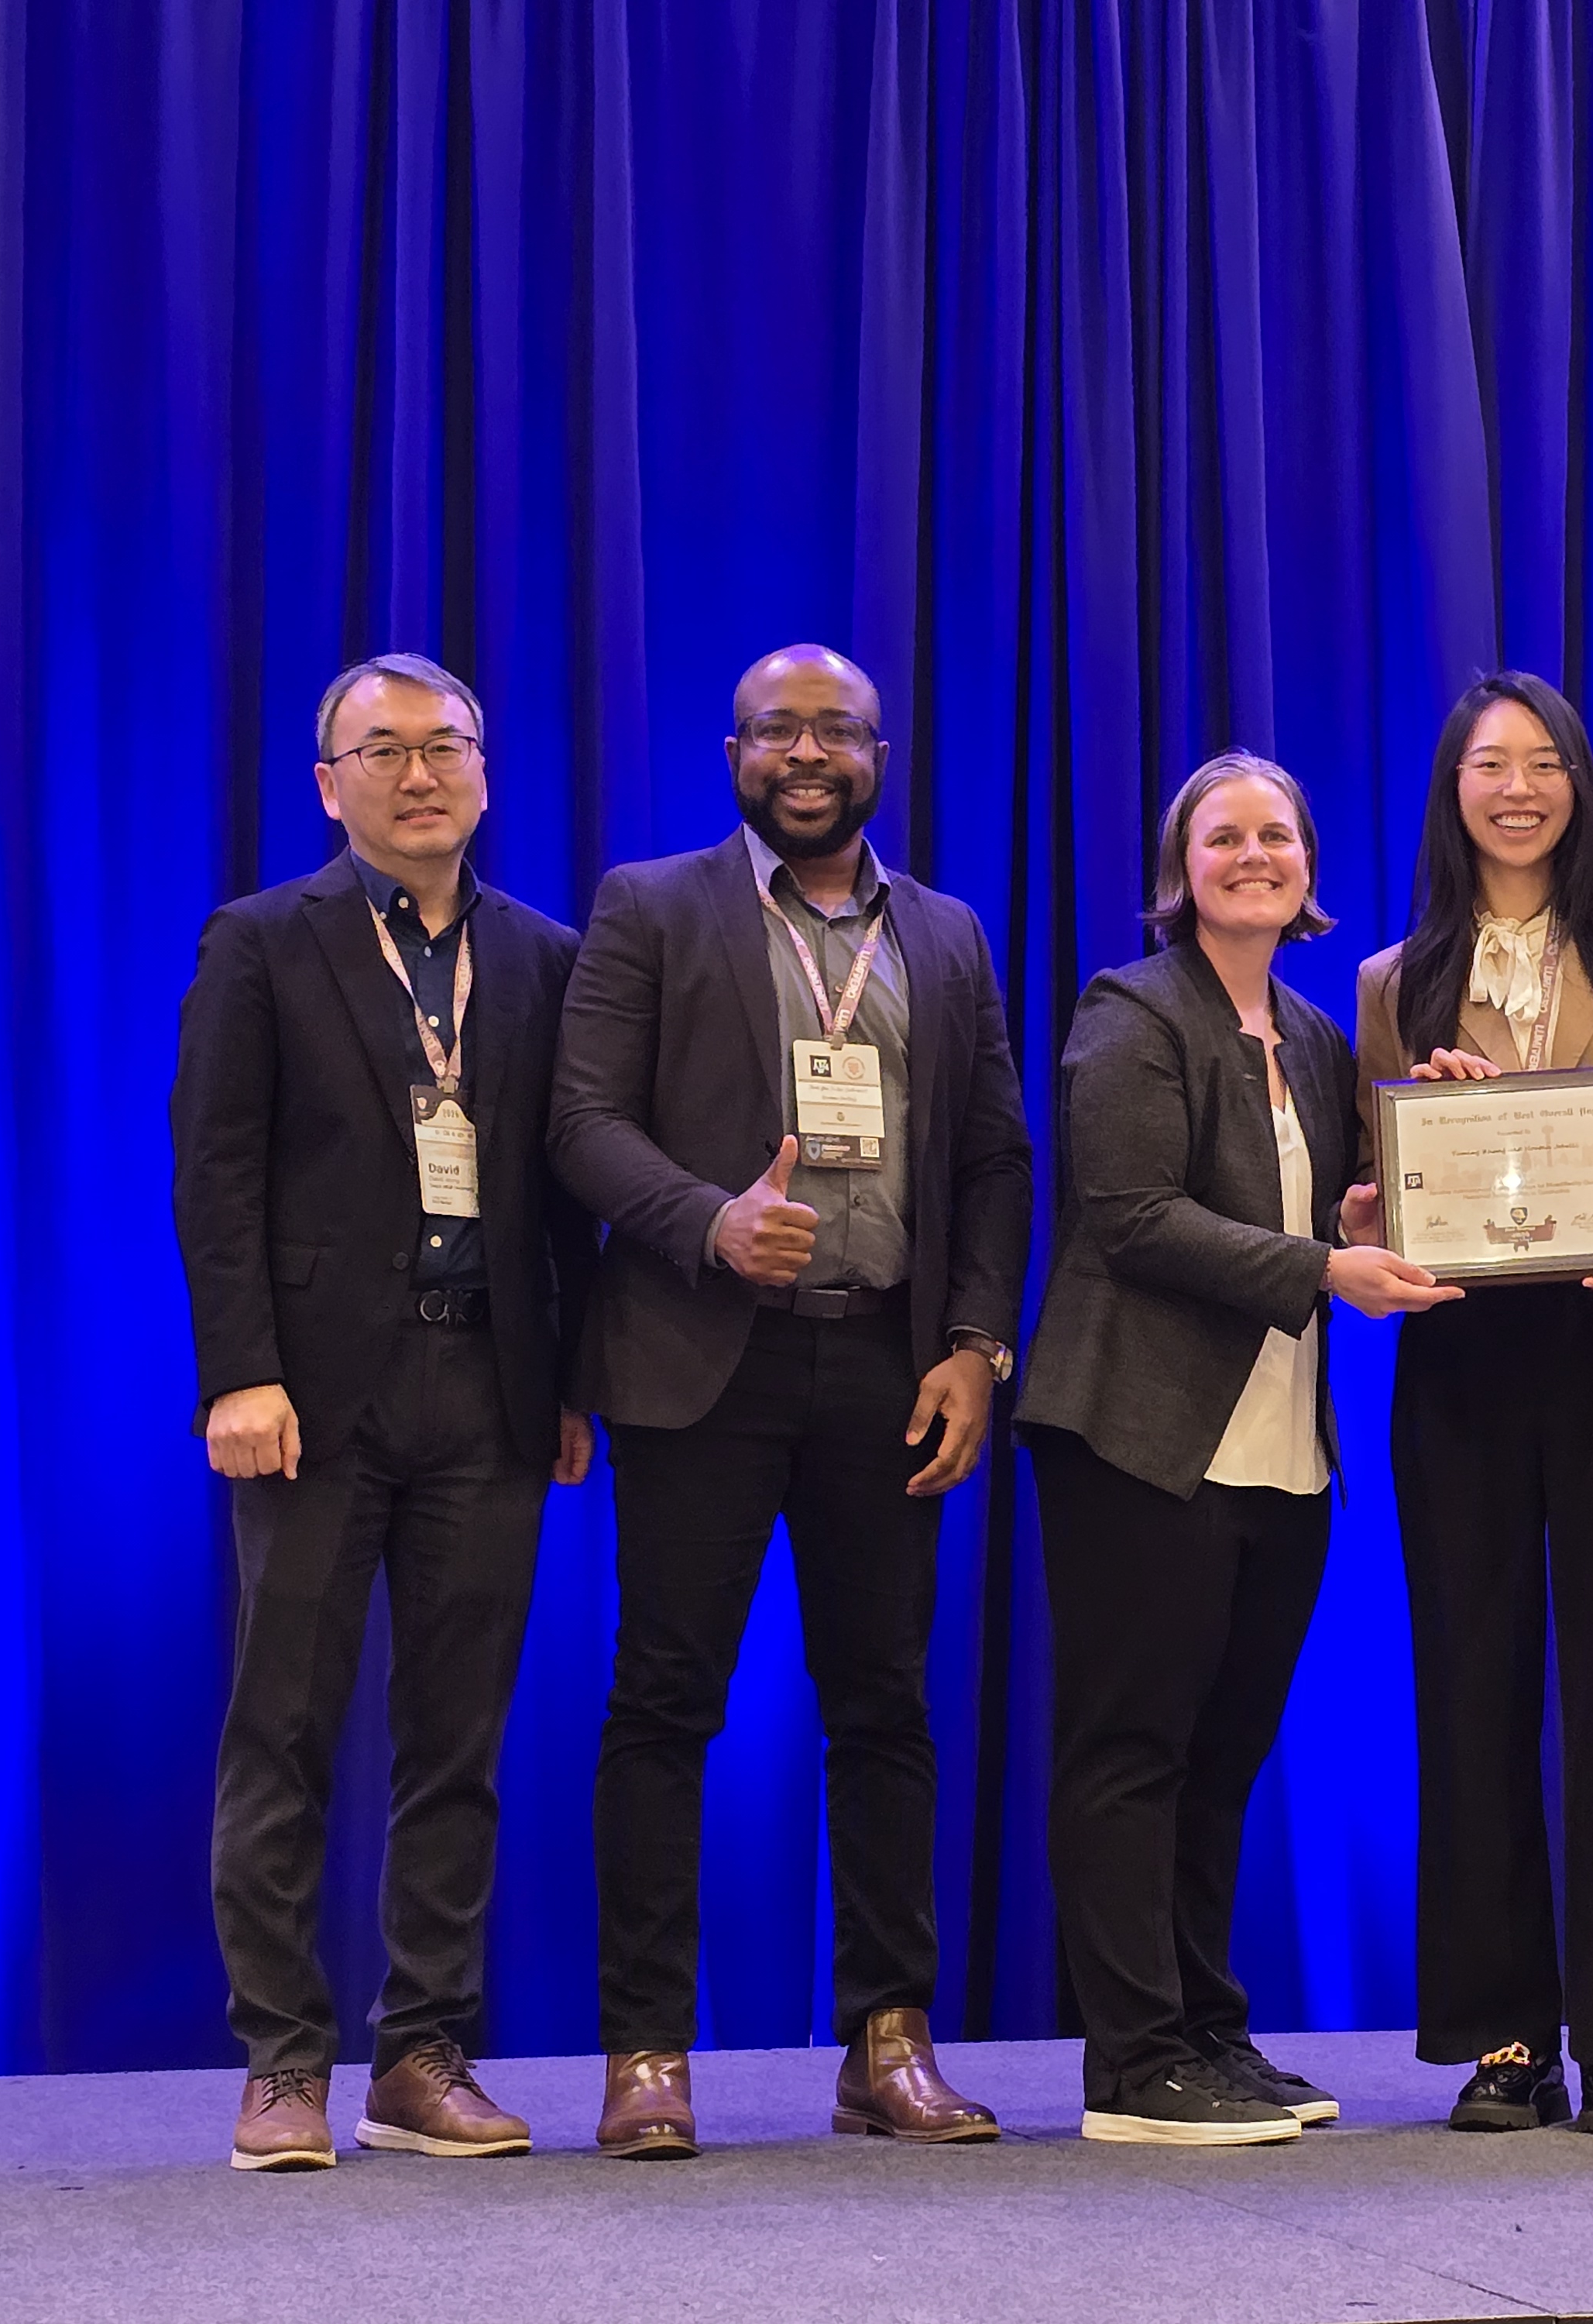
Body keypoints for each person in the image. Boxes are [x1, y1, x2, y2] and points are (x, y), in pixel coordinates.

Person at [549, 644, 1032, 2157]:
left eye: (837, 731)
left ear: (880, 755)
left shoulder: (945, 932)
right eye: (778, 730)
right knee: (663, 1703)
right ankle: (646, 2054)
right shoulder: (649, 906)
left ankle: (888, 2046)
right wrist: (708, 1221)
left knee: (885, 1707)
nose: (807, 753)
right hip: (703, 1358)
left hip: (891, 1364)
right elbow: (579, 1122)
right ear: (733, 753)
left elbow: (994, 1158)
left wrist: (975, 1344)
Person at [173, 652, 595, 2172]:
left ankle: (421, 2055)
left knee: (455, 1742)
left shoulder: (546, 955)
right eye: (384, 751)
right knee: (281, 1733)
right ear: (328, 785)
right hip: (313, 1398)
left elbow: (567, 1190)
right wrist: (239, 1372)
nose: (420, 775)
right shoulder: (261, 942)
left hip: (489, 1391)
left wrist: (571, 1382)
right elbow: (214, 1171)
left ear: (484, 772)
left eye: (446, 747)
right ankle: (283, 2063)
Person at [1018, 754, 1460, 2146]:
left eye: (1279, 833)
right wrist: (1329, 1265)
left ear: (1310, 866)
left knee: (1220, 1761)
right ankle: (1133, 2061)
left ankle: (1206, 2027)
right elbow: (1133, 1215)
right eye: (1225, 836)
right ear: (1183, 866)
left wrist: (1389, 1199)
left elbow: (1309, 1211)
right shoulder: (1132, 1010)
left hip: (1283, 1451)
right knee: (1130, 1754)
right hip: (1140, 1438)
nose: (1255, 854)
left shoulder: (1315, 1037)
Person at [1348, 670, 1593, 2135]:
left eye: (1545, 762)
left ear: (1579, 785)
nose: (1519, 789)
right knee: (1472, 1688)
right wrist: (1387, 1193)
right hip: (1462, 1355)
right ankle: (1505, 2034)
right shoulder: (1394, 980)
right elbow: (1372, 1182)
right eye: (1491, 765)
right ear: (1453, 789)